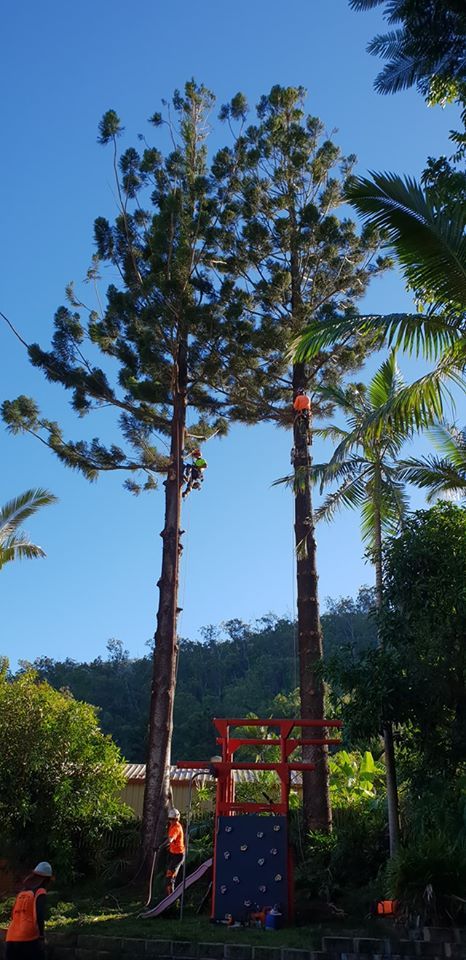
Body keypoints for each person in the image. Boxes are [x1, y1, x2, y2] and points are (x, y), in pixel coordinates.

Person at [5, 862, 53, 958]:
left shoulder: (22, 893)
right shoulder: (40, 891)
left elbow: (13, 914)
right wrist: (41, 937)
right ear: (47, 879)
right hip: (29, 937)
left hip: (11, 937)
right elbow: (39, 914)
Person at [164, 808, 185, 896]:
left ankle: (171, 899)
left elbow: (171, 839)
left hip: (178, 855)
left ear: (177, 819)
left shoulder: (176, 827)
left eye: (173, 819)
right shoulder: (171, 826)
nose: (171, 821)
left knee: (170, 876)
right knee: (171, 875)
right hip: (172, 854)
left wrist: (161, 846)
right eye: (170, 819)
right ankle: (171, 897)